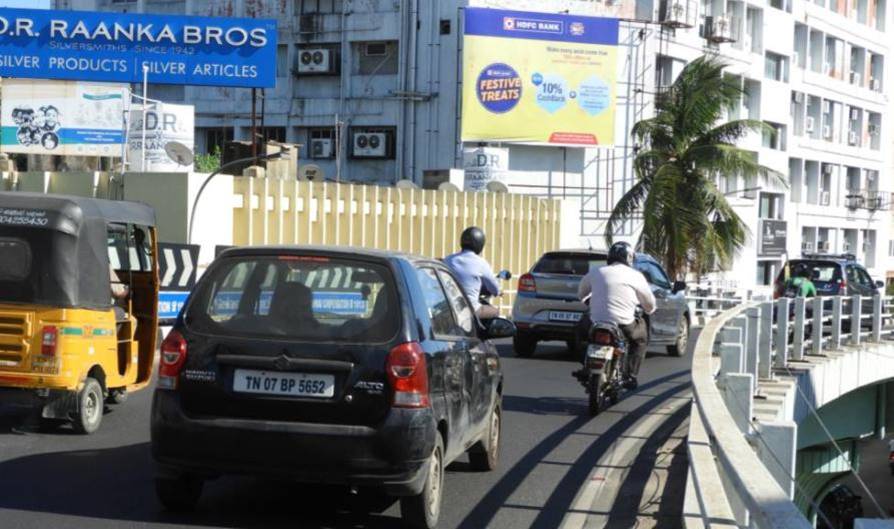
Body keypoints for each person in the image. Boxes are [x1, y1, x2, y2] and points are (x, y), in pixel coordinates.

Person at [577, 242, 656, 388]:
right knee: (640, 340)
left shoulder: (596, 271)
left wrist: (591, 302)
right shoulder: (636, 276)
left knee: (580, 334)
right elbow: (649, 304)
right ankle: (631, 375)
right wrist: (648, 309)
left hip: (595, 321)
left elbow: (581, 293)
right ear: (629, 257)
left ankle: (585, 365)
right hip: (624, 323)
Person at [444, 226, 501, 320]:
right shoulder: (481, 263)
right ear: (480, 244)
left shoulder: (449, 259)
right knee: (495, 311)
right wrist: (498, 291)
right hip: (471, 309)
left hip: (449, 308)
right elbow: (494, 288)